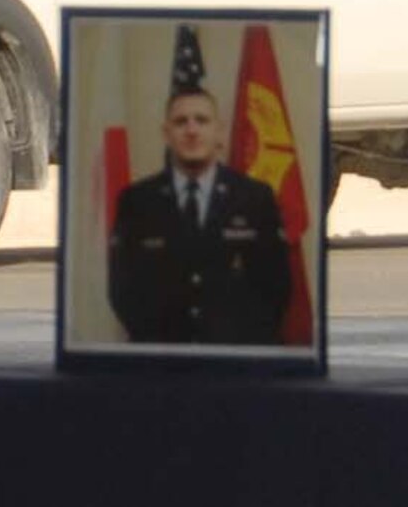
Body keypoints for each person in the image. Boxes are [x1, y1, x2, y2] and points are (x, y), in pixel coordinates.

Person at [107, 88, 293, 346]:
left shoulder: (255, 198)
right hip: (161, 361)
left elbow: (276, 289)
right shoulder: (137, 201)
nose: (192, 130)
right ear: (166, 134)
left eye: (202, 120)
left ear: (219, 131)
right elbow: (123, 291)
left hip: (236, 360)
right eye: (181, 122)